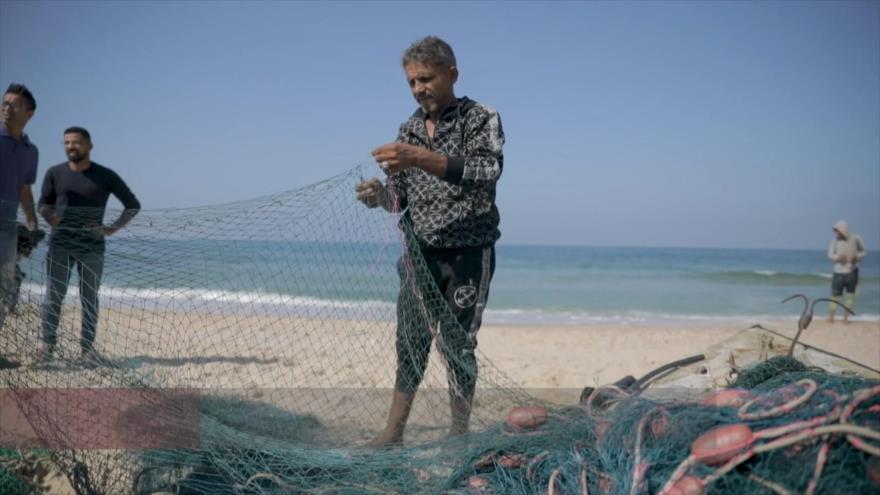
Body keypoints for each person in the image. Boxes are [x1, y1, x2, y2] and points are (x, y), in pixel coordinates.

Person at [355, 36, 504, 446]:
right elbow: (398, 198)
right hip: (419, 254)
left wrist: (417, 157)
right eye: (412, 82)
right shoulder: (409, 129)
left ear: (451, 75)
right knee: (411, 342)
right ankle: (393, 433)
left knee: (458, 345)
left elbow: (485, 170)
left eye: (427, 78)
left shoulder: (480, 117)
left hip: (468, 252)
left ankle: (458, 436)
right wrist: (378, 197)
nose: (420, 88)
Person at [37, 127, 140, 363]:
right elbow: (42, 203)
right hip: (60, 244)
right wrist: (49, 216)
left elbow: (133, 204)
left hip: (92, 246)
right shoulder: (54, 173)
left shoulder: (106, 175)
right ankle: (47, 346)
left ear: (89, 146)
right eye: (66, 143)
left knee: (89, 297)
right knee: (54, 296)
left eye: (76, 143)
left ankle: (87, 349)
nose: (70, 147)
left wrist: (111, 229)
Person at [0, 83, 39, 333]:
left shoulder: (30, 151)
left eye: (12, 104)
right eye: (4, 103)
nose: (5, 108)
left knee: (3, 290)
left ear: (29, 113)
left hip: (7, 232)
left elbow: (25, 190)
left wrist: (32, 221)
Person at [827, 220, 867, 323]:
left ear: (843, 230)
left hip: (851, 272)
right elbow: (830, 254)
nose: (836, 233)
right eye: (835, 231)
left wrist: (856, 257)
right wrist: (838, 257)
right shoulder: (834, 240)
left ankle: (846, 318)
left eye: (837, 231)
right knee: (835, 295)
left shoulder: (855, 238)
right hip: (838, 271)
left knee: (850, 295)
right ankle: (831, 317)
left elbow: (864, 251)